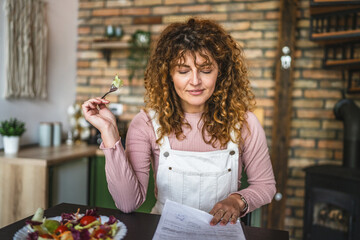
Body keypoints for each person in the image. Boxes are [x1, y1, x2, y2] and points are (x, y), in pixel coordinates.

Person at [82, 18, 276, 226]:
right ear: (169, 74)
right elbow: (128, 203)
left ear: (221, 72)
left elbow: (265, 185)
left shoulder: (245, 123)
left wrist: (238, 201)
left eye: (206, 70)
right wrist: (109, 132)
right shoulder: (146, 123)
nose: (195, 81)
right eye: (183, 71)